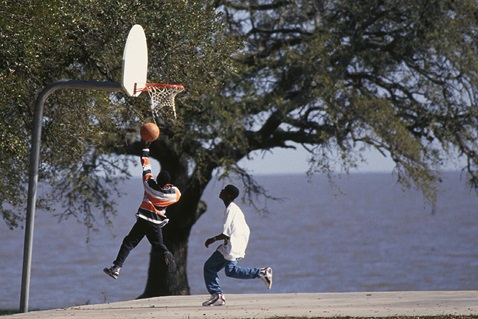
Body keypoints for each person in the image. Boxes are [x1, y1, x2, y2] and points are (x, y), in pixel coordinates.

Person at [103, 142, 181, 279]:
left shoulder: (149, 185)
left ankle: (116, 268)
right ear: (168, 183)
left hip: (143, 220)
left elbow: (146, 165)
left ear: (157, 179)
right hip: (157, 223)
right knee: (158, 245)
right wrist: (168, 186)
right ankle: (165, 252)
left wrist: (146, 148)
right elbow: (176, 191)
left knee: (128, 243)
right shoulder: (173, 195)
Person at [202, 184, 273, 306]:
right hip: (235, 243)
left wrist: (212, 239)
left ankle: (218, 295)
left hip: (233, 244)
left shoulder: (231, 209)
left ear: (228, 195)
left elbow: (225, 233)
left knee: (214, 268)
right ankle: (261, 273)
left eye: (224, 190)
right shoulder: (232, 208)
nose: (221, 191)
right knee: (225, 270)